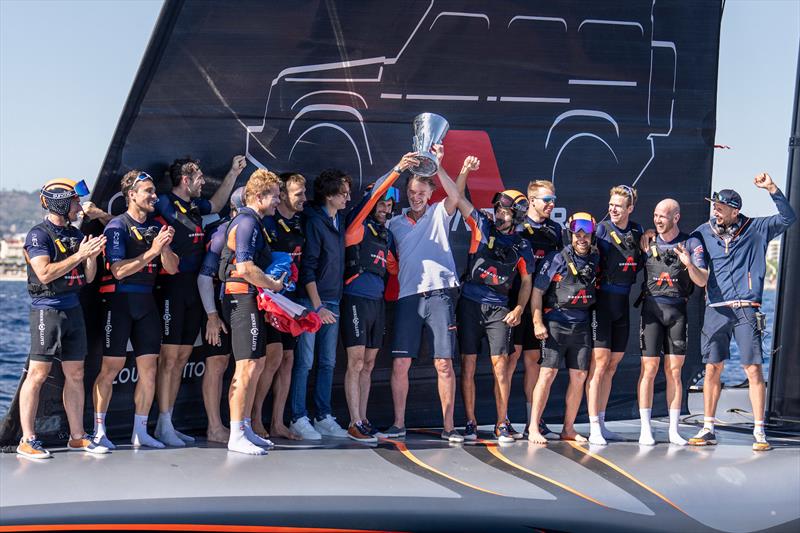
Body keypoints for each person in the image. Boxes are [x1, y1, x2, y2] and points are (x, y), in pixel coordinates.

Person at [688, 174, 795, 451]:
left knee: (752, 369)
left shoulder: (756, 228)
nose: (715, 211)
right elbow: (689, 250)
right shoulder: (703, 232)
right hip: (716, 311)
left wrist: (772, 189)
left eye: (720, 207)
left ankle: (759, 432)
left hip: (747, 310)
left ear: (735, 210)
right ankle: (708, 426)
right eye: (714, 206)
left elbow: (787, 218)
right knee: (712, 368)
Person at [153, 155, 246, 447]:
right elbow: (132, 213)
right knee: (168, 359)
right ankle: (162, 423)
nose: (204, 182)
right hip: (171, 286)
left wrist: (233, 171)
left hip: (194, 288)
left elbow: (217, 205)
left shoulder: (195, 206)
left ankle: (168, 421)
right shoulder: (164, 203)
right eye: (200, 178)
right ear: (185, 180)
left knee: (181, 358)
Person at [382, 144, 470, 443]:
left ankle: (449, 428)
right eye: (412, 192)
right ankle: (398, 424)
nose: (415, 197)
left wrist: (436, 165)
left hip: (440, 295)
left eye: (421, 192)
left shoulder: (438, 214)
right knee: (400, 363)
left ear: (430, 194)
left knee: (443, 362)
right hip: (408, 297)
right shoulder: (394, 223)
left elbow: (456, 198)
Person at [16, 179, 108, 459]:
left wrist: (90, 258)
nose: (79, 207)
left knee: (76, 374)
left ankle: (77, 436)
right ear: (60, 203)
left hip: (73, 309)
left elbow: (89, 277)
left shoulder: (76, 234)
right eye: (75, 202)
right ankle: (27, 439)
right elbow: (44, 274)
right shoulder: (38, 235)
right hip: (48, 310)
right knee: (38, 374)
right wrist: (80, 254)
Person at [93, 171, 179, 449]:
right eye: (148, 191)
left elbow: (173, 268)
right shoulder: (117, 226)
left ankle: (140, 432)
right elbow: (118, 271)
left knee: (149, 370)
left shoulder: (157, 227)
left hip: (146, 305)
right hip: (119, 303)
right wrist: (153, 251)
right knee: (111, 368)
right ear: (131, 195)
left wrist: (163, 248)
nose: (154, 196)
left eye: (154, 191)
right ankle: (98, 432)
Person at [340, 155, 414, 442]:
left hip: (377, 303)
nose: (385, 208)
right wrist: (396, 171)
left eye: (389, 204)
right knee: (356, 362)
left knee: (369, 364)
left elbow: (395, 268)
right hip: (355, 299)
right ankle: (354, 420)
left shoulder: (387, 235)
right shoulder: (357, 227)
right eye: (381, 203)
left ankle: (364, 418)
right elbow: (369, 203)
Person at [456, 177, 536, 443]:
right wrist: (461, 171)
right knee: (468, 365)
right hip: (469, 303)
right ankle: (470, 422)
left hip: (499, 309)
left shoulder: (523, 245)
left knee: (500, 366)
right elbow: (457, 198)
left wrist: (519, 308)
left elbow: (526, 281)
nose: (499, 215)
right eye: (498, 210)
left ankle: (502, 423)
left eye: (505, 212)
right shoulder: (482, 226)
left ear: (517, 217)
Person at [218, 169, 285, 455]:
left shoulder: (255, 222)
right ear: (259, 197)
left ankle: (244, 426)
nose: (278, 202)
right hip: (240, 297)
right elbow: (245, 268)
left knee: (256, 363)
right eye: (275, 197)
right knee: (245, 366)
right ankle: (235, 434)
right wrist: (273, 285)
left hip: (250, 298)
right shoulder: (246, 222)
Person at [637, 199, 708, 445]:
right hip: (651, 311)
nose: (657, 220)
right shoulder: (647, 240)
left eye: (663, 216)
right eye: (655, 215)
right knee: (649, 370)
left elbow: (701, 281)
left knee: (674, 371)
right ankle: (645, 429)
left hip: (678, 311)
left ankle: (673, 430)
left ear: (676, 217)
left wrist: (688, 263)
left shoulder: (691, 242)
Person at [289, 169, 351, 440]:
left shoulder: (339, 220)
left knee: (328, 362)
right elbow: (308, 268)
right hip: (311, 302)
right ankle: (297, 417)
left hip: (334, 300)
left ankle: (323, 415)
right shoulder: (314, 221)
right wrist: (317, 307)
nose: (348, 197)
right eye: (343, 193)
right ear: (328, 195)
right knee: (305, 361)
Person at [528, 213, 599, 444]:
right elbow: (537, 292)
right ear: (570, 234)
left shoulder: (596, 257)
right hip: (556, 323)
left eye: (585, 234)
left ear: (591, 235)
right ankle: (533, 427)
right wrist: (538, 322)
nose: (581, 238)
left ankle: (568, 428)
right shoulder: (557, 258)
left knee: (579, 376)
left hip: (582, 325)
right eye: (577, 233)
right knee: (547, 374)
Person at [250, 172, 307, 441]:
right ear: (282, 195)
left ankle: (278, 422)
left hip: (291, 300)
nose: (304, 199)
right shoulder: (267, 223)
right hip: (270, 301)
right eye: (298, 193)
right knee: (271, 359)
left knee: (288, 360)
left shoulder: (299, 223)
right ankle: (255, 419)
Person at [587, 185, 644, 445]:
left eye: (618, 206)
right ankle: (593, 427)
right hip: (602, 303)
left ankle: (603, 419)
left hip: (623, 303)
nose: (612, 208)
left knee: (612, 365)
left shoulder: (637, 231)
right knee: (598, 366)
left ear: (630, 209)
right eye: (611, 204)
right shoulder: (600, 230)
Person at [510, 179, 563, 438]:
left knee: (533, 362)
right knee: (509, 361)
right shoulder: (517, 227)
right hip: (513, 301)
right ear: (532, 201)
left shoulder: (556, 230)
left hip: (539, 305)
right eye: (546, 200)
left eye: (554, 200)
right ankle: (503, 420)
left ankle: (534, 420)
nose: (551, 204)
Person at [196, 187, 246, 443]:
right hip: (218, 303)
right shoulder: (222, 231)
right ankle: (214, 427)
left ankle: (243, 423)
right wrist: (212, 316)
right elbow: (204, 278)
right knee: (217, 364)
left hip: (243, 303)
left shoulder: (255, 227)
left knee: (246, 365)